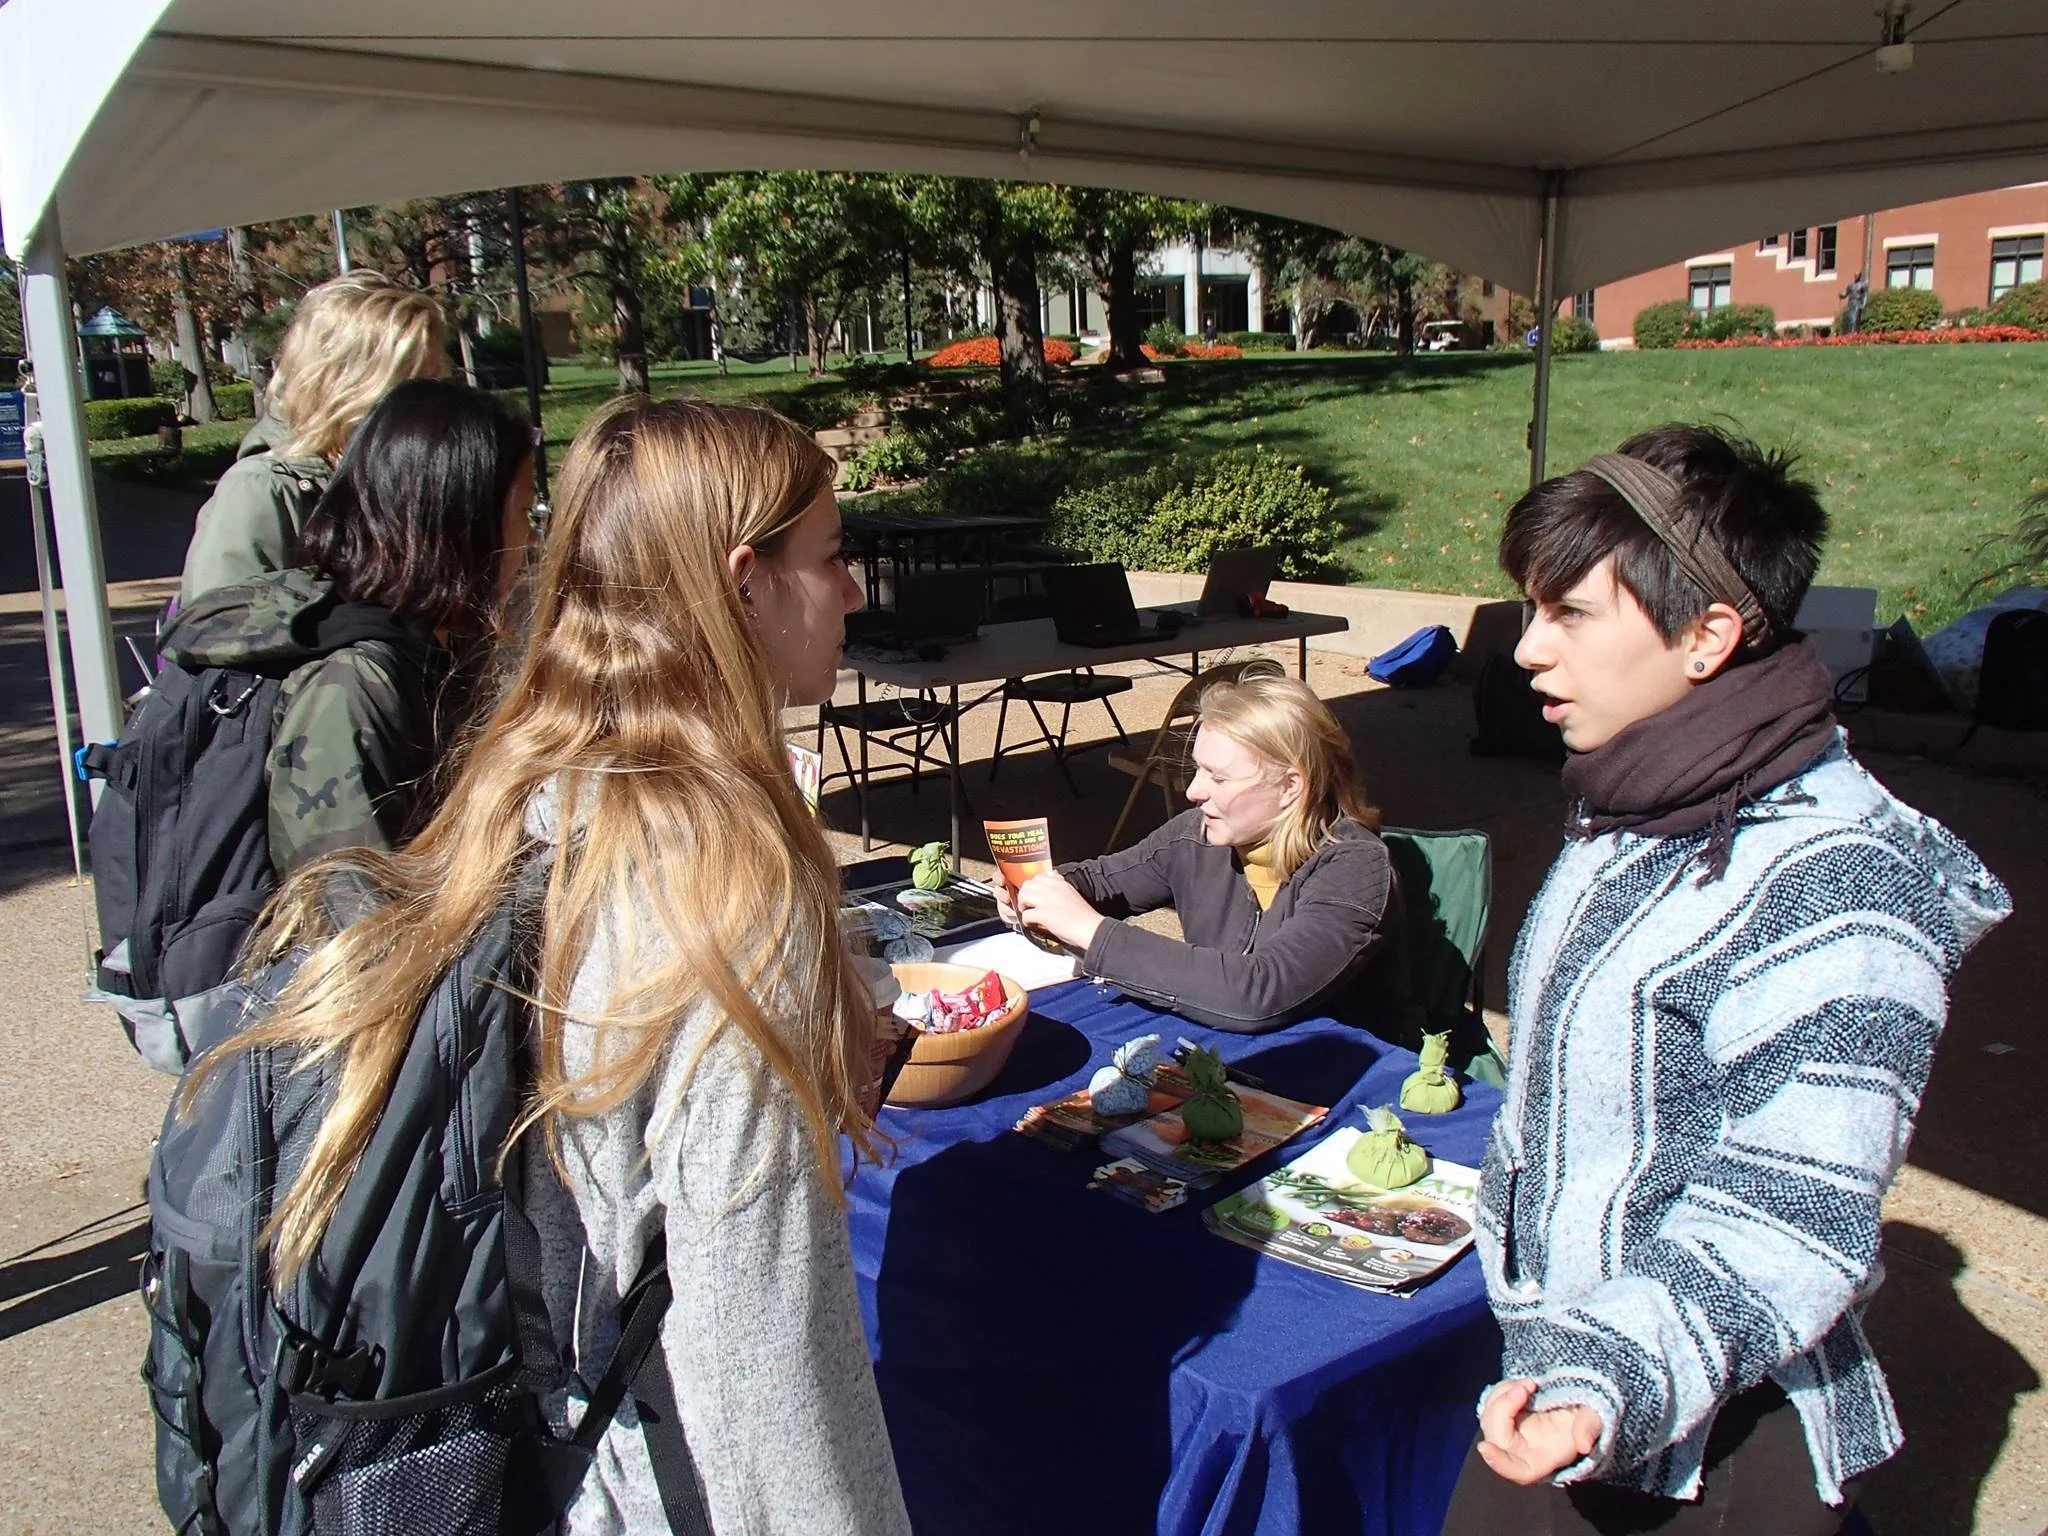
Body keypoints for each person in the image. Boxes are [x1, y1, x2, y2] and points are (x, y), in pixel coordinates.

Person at [214, 396, 905, 1533]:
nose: (851, 591)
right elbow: (763, 1341)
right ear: (742, 580)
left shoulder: (532, 787)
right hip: (651, 1477)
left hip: (552, 1449)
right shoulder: (723, 888)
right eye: (830, 557)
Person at [1443, 425, 2011, 1534]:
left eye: (1568, 613)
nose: (1524, 650)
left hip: (1702, 1440)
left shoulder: (1836, 885)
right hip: (1564, 1370)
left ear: (1705, 637)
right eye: (1528, 609)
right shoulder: (1641, 798)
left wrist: (1604, 1382)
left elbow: (1791, 1212)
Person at [156, 377, 533, 875]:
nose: (531, 538)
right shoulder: (353, 690)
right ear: (463, 522)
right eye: (525, 513)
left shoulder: (432, 646)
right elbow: (344, 913)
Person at [1002, 667, 1407, 1034]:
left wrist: (1090, 932)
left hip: (1344, 1077)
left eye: (1219, 777)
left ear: (1290, 787)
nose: (1194, 792)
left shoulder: (1356, 868)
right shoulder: (1199, 836)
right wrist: (1038, 889)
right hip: (1219, 1057)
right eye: (1197, 769)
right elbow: (1104, 880)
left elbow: (1262, 993)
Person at [177, 270, 447, 605]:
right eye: (414, 383)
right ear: (350, 383)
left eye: (436, 379)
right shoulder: (262, 491)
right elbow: (215, 638)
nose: (434, 402)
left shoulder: (403, 478)